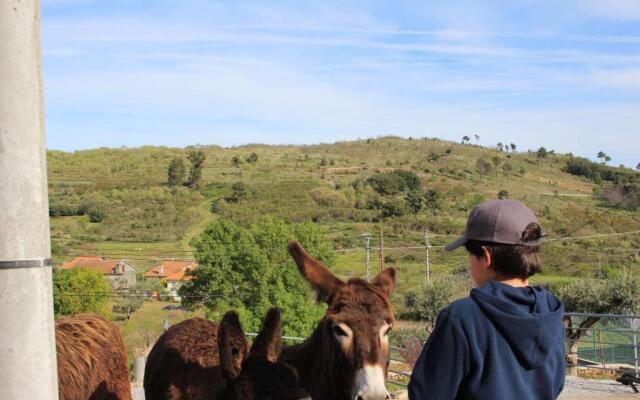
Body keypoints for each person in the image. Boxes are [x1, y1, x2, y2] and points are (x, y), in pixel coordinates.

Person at [408, 199, 565, 400]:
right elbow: (555, 386)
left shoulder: (461, 318)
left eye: (470, 255)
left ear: (486, 256)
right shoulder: (551, 312)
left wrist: (426, 369)